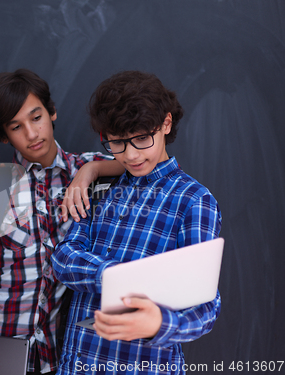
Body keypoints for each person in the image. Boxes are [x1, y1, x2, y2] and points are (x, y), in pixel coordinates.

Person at [0, 69, 125, 375]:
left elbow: (138, 162)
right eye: (17, 127)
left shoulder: (84, 169)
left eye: (36, 117)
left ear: (52, 112)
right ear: (4, 136)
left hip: (62, 349)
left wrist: (91, 171)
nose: (32, 134)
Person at [51, 70, 223, 374]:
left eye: (142, 139)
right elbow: (64, 258)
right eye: (117, 143)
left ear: (166, 123)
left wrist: (159, 321)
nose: (130, 155)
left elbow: (206, 306)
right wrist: (119, 277)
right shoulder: (103, 187)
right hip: (79, 363)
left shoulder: (193, 200)